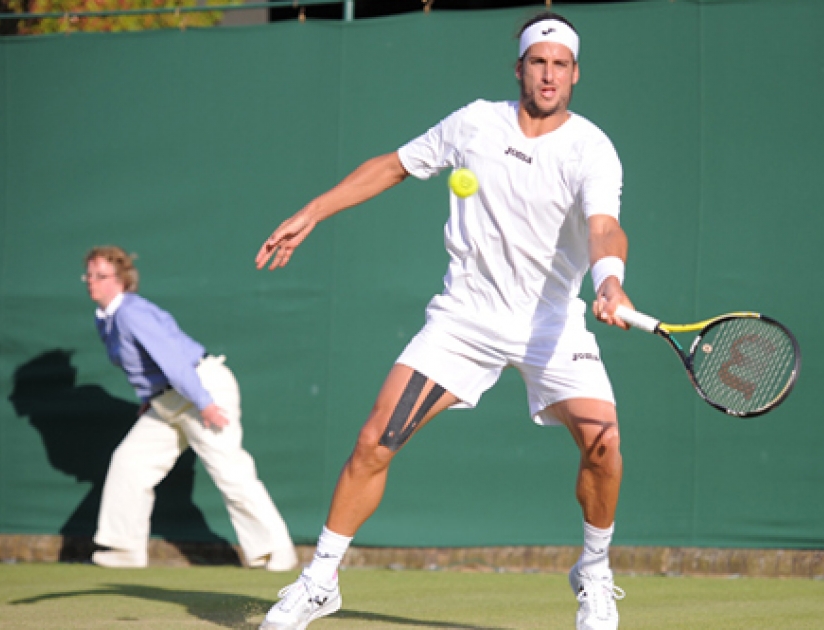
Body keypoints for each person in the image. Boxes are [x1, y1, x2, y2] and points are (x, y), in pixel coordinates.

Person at [256, 12, 632, 630]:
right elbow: (393, 165)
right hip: (465, 321)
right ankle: (320, 579)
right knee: (375, 441)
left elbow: (603, 226)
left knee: (605, 446)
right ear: (519, 67)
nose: (547, 74)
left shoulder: (591, 148)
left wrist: (609, 281)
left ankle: (593, 571)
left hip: (552, 328)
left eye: (559, 64)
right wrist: (314, 212)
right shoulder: (474, 123)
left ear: (575, 74)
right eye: (537, 61)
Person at [83, 245, 298, 572]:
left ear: (122, 280)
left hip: (200, 388)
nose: (91, 281)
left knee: (229, 470)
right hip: (168, 400)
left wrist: (205, 403)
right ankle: (124, 549)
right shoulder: (107, 319)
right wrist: (148, 400)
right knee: (129, 463)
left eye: (101, 275)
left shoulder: (129, 312)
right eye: (89, 274)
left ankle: (277, 550)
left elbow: (170, 358)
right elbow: (143, 366)